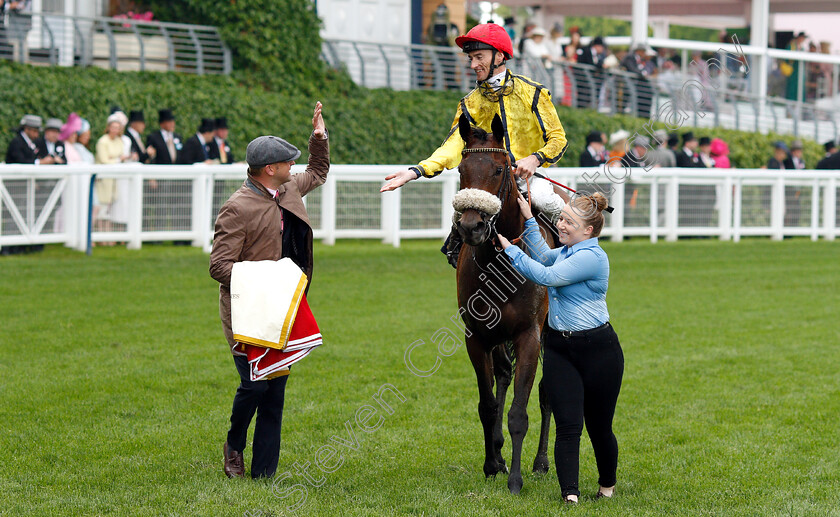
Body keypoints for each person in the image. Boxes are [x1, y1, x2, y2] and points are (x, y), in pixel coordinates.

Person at [379, 23, 569, 268]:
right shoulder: (469, 103)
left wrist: (534, 159)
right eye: (470, 58)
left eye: (479, 57)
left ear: (499, 56)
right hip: (487, 181)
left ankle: (569, 269)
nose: (472, 65)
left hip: (528, 178)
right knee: (461, 218)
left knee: (549, 202)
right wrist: (416, 170)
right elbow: (452, 146)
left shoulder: (533, 93)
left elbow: (558, 139)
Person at [210, 102, 329, 480]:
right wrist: (267, 280)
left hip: (283, 311)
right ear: (269, 170)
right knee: (253, 385)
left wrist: (319, 137)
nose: (293, 168)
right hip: (247, 312)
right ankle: (234, 445)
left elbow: (319, 170)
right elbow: (218, 267)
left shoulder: (290, 186)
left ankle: (263, 473)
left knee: (274, 393)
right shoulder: (236, 208)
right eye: (286, 163)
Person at [497, 191, 623, 505]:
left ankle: (606, 488)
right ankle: (571, 496)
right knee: (567, 425)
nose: (561, 225)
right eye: (562, 218)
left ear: (588, 231)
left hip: (599, 351)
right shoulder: (567, 251)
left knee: (599, 427)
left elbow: (547, 276)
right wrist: (528, 219)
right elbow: (542, 256)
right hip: (559, 349)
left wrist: (512, 251)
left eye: (569, 222)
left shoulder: (591, 257)